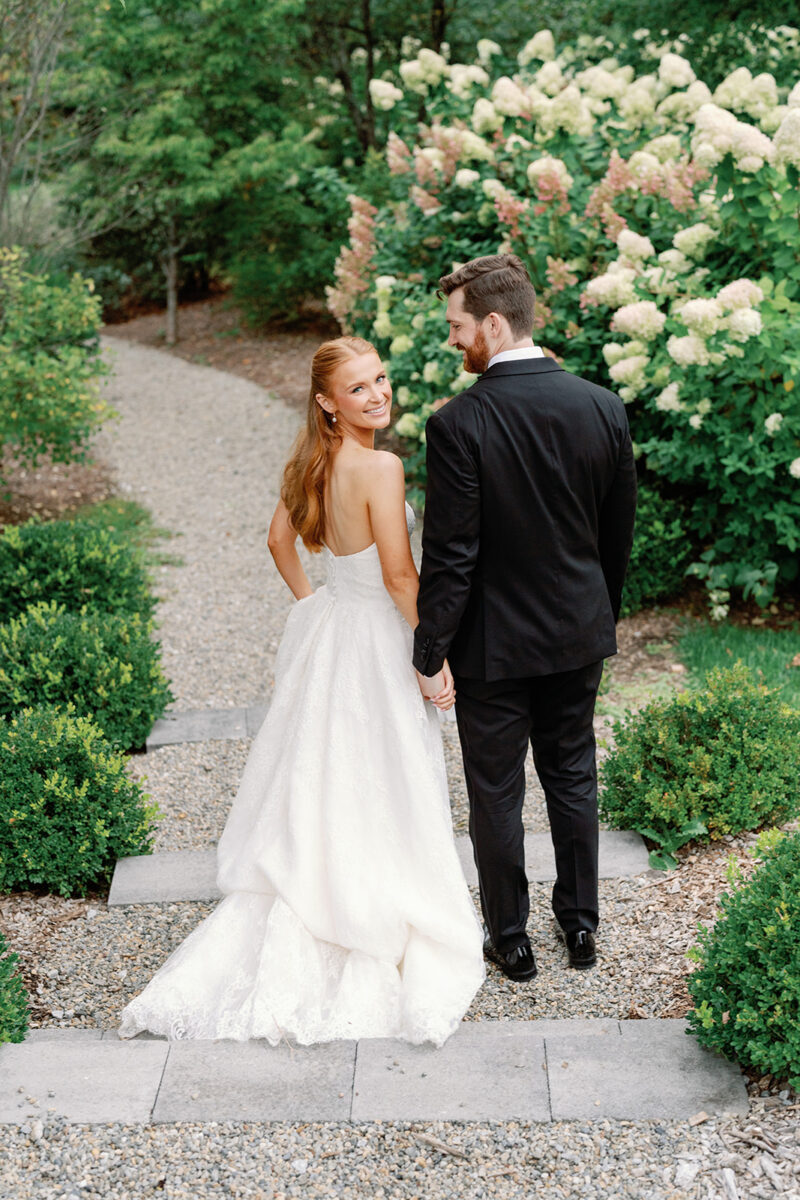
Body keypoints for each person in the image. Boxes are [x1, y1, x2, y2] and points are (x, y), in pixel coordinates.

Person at [119, 336, 484, 1046]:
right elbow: (402, 579)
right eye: (358, 389)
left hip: (331, 634)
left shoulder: (309, 465)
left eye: (380, 379)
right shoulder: (381, 467)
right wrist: (431, 656)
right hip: (379, 636)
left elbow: (277, 542)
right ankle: (372, 906)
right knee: (386, 771)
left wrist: (308, 602)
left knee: (326, 772)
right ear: (327, 402)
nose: (377, 395)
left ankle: (322, 889)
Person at [413, 254, 637, 983]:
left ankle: (510, 940)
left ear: (494, 323)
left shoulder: (458, 425)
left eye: (458, 327)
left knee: (497, 791)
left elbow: (452, 555)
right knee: (573, 777)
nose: (454, 341)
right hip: (577, 631)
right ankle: (580, 927)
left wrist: (430, 648)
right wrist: (598, 613)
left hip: (492, 647)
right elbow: (616, 535)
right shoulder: (602, 406)